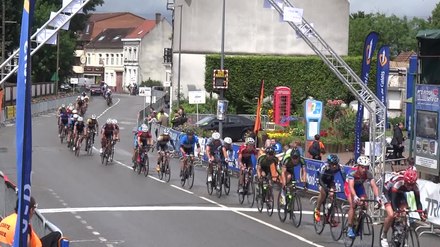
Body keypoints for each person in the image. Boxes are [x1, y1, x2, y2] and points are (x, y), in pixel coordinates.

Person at [380, 169, 426, 247]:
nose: (410, 187)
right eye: (408, 184)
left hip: (400, 193)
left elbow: (418, 202)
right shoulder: (398, 183)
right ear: (404, 181)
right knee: (391, 214)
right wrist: (396, 210)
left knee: (404, 213)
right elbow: (394, 201)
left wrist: (421, 214)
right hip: (388, 192)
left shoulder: (415, 187)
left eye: (412, 184)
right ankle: (384, 235)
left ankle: (401, 235)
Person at [345, 155, 382, 239]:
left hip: (359, 187)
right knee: (353, 206)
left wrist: (377, 197)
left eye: (366, 167)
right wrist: (354, 196)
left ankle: (358, 220)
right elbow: (351, 187)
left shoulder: (368, 174)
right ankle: (350, 227)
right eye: (362, 167)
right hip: (350, 187)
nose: (364, 169)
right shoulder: (352, 173)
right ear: (358, 166)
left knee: (365, 204)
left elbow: (374, 186)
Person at [314, 154, 345, 222]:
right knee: (323, 193)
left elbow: (344, 179)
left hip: (330, 180)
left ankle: (331, 215)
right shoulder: (325, 166)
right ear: (329, 163)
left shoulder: (339, 167)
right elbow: (320, 180)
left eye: (335, 164)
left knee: (333, 194)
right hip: (320, 179)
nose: (334, 166)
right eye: (332, 164)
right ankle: (317, 209)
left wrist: (346, 187)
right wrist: (325, 188)